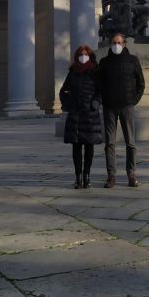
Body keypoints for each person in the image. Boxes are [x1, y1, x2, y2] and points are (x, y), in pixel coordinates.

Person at [97, 33, 145, 188]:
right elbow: (99, 84)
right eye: (113, 42)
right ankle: (111, 176)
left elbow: (141, 83)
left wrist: (133, 100)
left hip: (127, 106)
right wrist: (103, 99)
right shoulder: (104, 62)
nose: (116, 45)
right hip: (109, 107)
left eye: (119, 42)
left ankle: (131, 174)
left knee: (130, 142)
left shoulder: (133, 60)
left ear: (124, 44)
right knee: (109, 143)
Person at [59, 45, 103, 189]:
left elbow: (100, 91)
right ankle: (78, 177)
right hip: (76, 114)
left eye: (85, 54)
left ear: (89, 56)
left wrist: (95, 103)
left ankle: (87, 176)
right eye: (80, 54)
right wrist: (69, 104)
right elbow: (63, 90)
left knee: (89, 147)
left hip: (90, 114)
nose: (83, 56)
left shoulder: (95, 71)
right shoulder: (73, 72)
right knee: (76, 147)